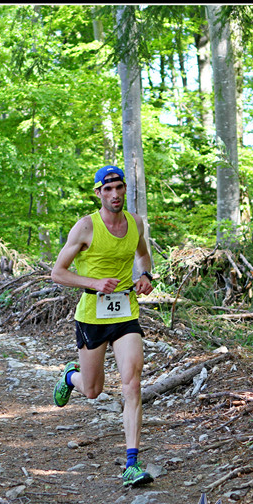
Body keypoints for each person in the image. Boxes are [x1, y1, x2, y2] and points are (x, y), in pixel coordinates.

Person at [50, 164, 155, 487]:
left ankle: (132, 464)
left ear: (125, 189)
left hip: (125, 314)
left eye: (119, 187)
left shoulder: (136, 223)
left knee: (132, 383)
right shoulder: (85, 227)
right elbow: (58, 273)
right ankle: (71, 376)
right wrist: (94, 282)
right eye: (107, 189)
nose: (114, 194)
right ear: (98, 193)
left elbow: (143, 256)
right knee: (93, 391)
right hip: (92, 317)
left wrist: (145, 275)